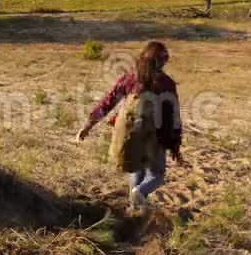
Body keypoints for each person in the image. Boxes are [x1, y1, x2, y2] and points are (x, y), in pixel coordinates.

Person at [77, 41, 182, 208]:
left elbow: (108, 102)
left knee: (136, 170)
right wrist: (175, 143)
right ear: (162, 61)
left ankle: (135, 209)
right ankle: (139, 193)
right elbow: (173, 115)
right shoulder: (166, 83)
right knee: (156, 175)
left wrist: (89, 124)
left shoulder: (129, 78)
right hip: (155, 134)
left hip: (129, 132)